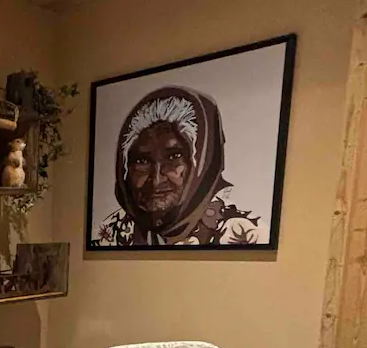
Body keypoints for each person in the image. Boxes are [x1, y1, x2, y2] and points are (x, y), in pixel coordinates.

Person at [92, 85, 260, 247]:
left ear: (202, 162)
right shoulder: (111, 233)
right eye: (142, 161)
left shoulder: (241, 232)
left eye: (174, 157)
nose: (156, 180)